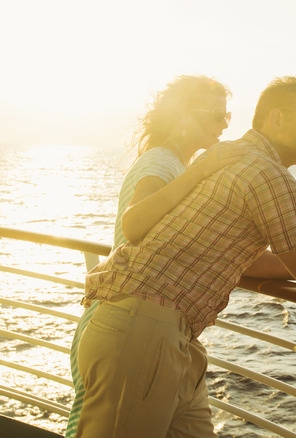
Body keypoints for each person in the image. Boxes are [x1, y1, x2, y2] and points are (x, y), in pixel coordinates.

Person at [76, 76, 296, 437]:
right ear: (276, 119)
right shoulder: (269, 177)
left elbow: (242, 258)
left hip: (159, 334)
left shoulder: (229, 160)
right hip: (145, 334)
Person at [66, 74, 240, 438]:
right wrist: (205, 169)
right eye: (215, 115)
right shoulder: (162, 164)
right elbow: (135, 223)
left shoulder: (174, 166)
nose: (224, 125)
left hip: (150, 328)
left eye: (226, 117)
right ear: (183, 116)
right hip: (127, 322)